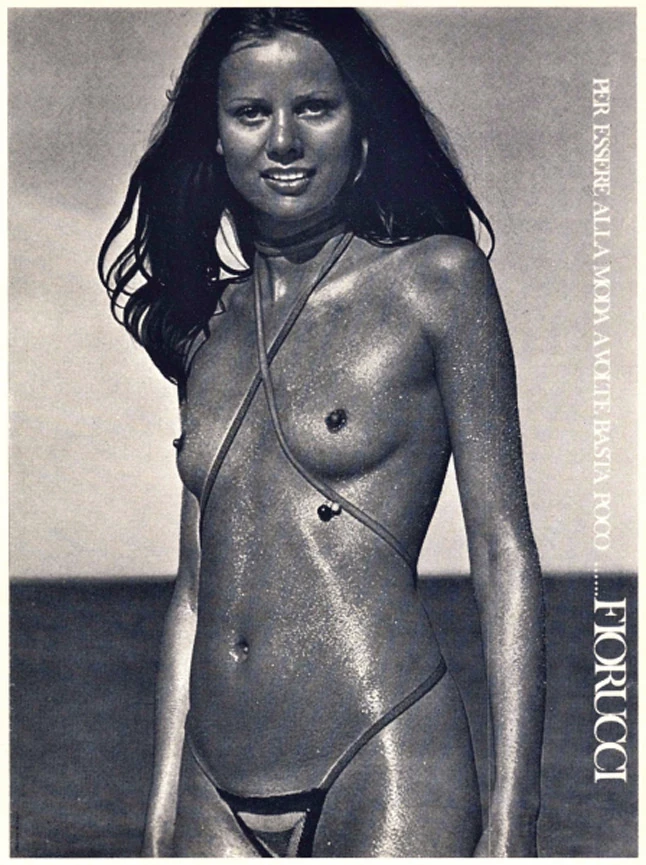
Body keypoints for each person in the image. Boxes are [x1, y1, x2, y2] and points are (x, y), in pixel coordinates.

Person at [99, 8, 544, 857]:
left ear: (359, 121)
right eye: (251, 113)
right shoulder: (207, 328)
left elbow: (503, 550)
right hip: (209, 788)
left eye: (314, 106)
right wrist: (160, 805)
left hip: (385, 757)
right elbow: (194, 588)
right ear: (217, 138)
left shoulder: (438, 281)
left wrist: (513, 817)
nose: (283, 141)